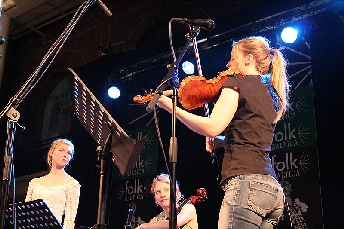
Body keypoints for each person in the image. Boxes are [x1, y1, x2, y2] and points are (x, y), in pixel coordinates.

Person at [156, 36, 288, 228]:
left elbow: (212, 126)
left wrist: (171, 107)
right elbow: (250, 134)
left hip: (246, 185)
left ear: (248, 59)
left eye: (233, 58)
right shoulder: (271, 92)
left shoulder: (236, 82)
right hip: (271, 190)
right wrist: (221, 141)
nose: (228, 63)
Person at [25, 138, 81, 229]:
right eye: (61, 150)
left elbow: (69, 220)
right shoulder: (34, 183)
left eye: (69, 153)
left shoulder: (72, 184)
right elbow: (26, 212)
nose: (65, 155)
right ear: (51, 152)